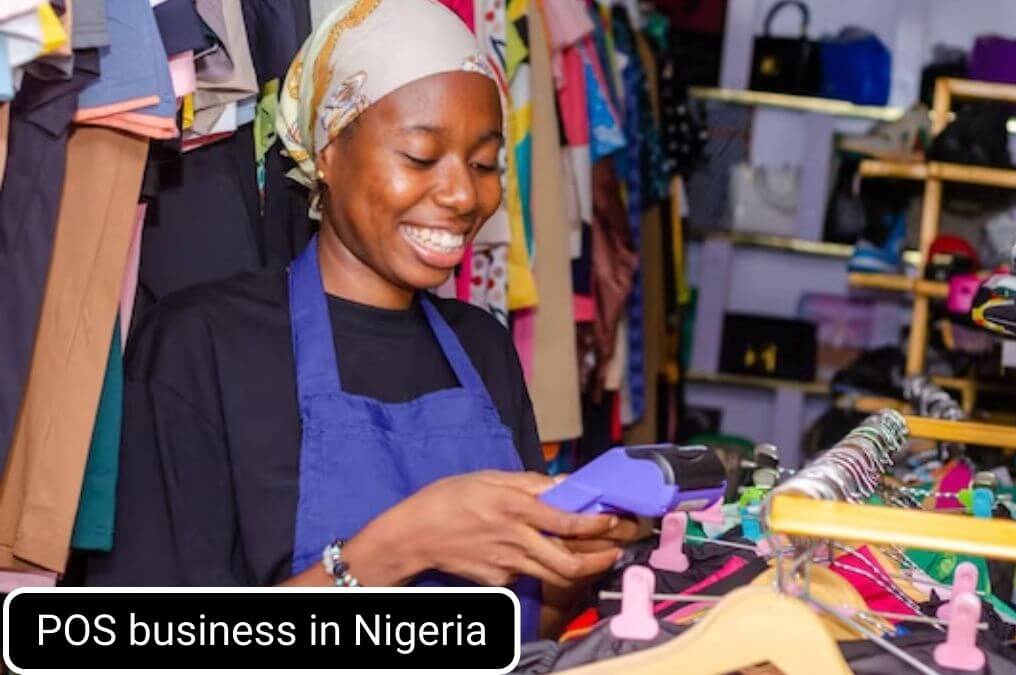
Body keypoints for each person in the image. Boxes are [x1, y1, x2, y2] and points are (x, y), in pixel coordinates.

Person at [86, 0, 643, 640]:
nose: (465, 196)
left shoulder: (482, 347)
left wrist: (578, 554)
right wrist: (399, 547)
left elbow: (513, 629)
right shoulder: (201, 345)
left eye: (485, 163)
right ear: (327, 151)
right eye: (420, 155)